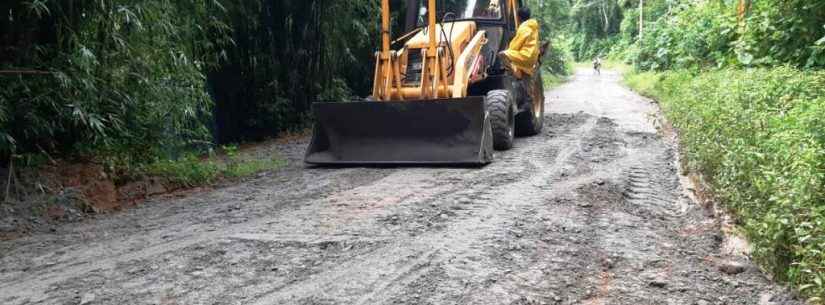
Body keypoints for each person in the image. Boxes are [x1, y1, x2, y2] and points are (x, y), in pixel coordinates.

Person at [498, 7, 540, 80]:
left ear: (518, 17)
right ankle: (520, 72)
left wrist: (509, 50)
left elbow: (516, 44)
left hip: (526, 56)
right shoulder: (533, 26)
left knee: (502, 54)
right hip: (532, 58)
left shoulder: (524, 27)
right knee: (513, 56)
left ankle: (518, 76)